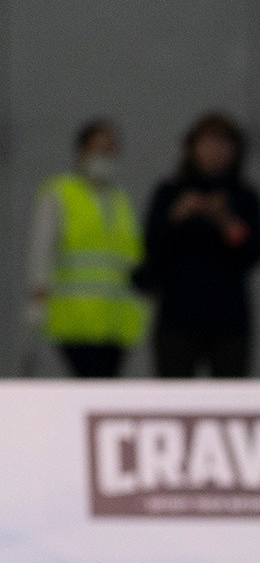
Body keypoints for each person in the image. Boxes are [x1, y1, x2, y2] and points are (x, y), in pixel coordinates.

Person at [136, 111, 260, 378]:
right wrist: (177, 215)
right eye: (208, 143)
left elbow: (254, 251)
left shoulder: (245, 197)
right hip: (178, 315)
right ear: (192, 147)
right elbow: (151, 244)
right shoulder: (170, 193)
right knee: (174, 391)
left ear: (236, 151)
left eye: (223, 144)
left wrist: (226, 221)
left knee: (230, 393)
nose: (215, 151)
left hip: (228, 318)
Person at [26, 120, 145, 377]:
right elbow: (42, 249)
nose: (104, 156)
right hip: (75, 319)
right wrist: (38, 296)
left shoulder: (120, 200)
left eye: (110, 149)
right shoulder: (60, 193)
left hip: (116, 322)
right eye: (98, 148)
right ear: (82, 152)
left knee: (106, 389)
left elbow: (132, 258)